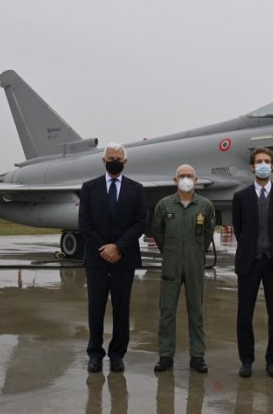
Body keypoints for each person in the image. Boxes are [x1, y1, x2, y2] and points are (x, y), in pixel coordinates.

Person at [78, 142, 148, 373]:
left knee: (121, 309)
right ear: (103, 160)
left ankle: (117, 355)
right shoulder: (89, 188)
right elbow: (84, 224)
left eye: (118, 158)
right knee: (95, 309)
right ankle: (95, 354)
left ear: (125, 162)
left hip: (123, 259)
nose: (114, 161)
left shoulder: (136, 189)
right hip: (97, 260)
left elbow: (140, 222)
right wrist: (104, 249)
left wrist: (118, 247)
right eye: (111, 157)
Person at [232, 147, 273, 378]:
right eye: (259, 161)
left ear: (272, 166)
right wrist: (252, 247)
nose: (263, 164)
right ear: (252, 167)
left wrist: (271, 246)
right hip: (249, 262)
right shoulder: (241, 197)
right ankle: (246, 360)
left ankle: (272, 361)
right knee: (244, 314)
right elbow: (239, 229)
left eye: (267, 161)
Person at [152, 164, 215, 373]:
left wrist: (195, 253)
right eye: (182, 176)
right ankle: (165, 355)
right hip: (171, 262)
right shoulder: (164, 205)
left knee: (196, 310)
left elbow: (207, 234)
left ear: (196, 180)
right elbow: (158, 233)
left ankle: (197, 355)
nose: (185, 179)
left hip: (195, 264)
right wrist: (171, 252)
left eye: (189, 176)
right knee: (167, 311)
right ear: (174, 180)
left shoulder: (205, 206)